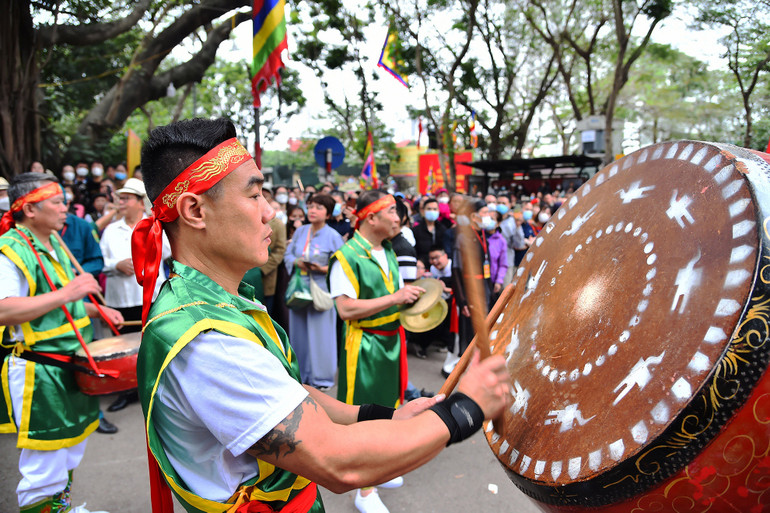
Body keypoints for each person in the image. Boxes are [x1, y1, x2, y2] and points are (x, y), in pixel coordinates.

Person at [131, 118, 510, 513]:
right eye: (254, 195)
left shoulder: (220, 301)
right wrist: (465, 408)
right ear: (194, 210)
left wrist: (384, 416)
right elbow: (338, 462)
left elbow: (286, 393)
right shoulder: (207, 340)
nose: (270, 214)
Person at [0, 172, 123, 513]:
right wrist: (70, 292)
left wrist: (96, 311)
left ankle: (62, 509)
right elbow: (4, 309)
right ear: (28, 209)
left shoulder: (55, 244)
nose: (65, 207)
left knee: (68, 450)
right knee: (45, 463)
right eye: (56, 202)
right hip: (39, 371)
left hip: (67, 364)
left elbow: (55, 303)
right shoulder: (10, 250)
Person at [100, 178, 170, 412]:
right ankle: (127, 390)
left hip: (150, 296)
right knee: (122, 346)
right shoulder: (111, 230)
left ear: (141, 203)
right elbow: (101, 260)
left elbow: (170, 252)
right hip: (119, 299)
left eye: (127, 198)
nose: (121, 202)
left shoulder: (155, 226)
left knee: (150, 343)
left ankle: (153, 389)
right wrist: (115, 265)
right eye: (120, 198)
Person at [283, 193, 343, 389]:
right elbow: (288, 254)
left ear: (328, 213)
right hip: (299, 288)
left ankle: (322, 379)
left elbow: (342, 266)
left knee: (322, 335)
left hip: (322, 289)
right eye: (310, 207)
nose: (313, 211)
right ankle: (302, 375)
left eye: (318, 207)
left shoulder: (333, 236)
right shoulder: (301, 232)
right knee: (298, 333)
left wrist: (321, 269)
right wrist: (297, 262)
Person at [413, 197, 447, 266]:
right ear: (423, 211)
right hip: (422, 267)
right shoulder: (416, 230)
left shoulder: (443, 229)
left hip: (440, 267)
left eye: (435, 209)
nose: (432, 211)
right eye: (429, 209)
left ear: (438, 211)